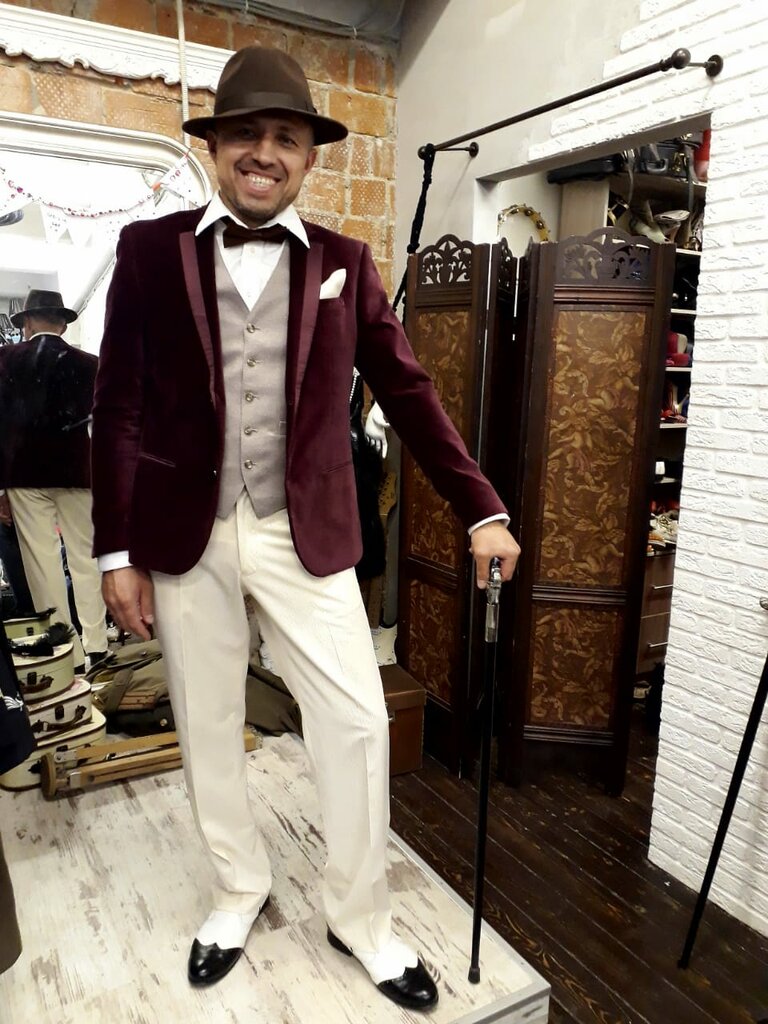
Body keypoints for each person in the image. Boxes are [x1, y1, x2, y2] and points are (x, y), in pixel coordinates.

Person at [91, 46, 520, 1012]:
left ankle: (361, 918)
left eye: (284, 137)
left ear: (309, 158)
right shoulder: (150, 251)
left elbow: (409, 392)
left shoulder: (344, 263)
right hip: (185, 531)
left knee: (359, 721)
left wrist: (482, 507)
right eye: (245, 133)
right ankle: (237, 890)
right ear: (214, 148)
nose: (264, 152)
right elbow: (117, 406)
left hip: (305, 531)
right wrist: (117, 551)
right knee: (207, 720)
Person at [0, 290, 107, 670]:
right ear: (62, 324)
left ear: (27, 322)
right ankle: (97, 645)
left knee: (42, 564)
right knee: (86, 558)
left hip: (24, 475)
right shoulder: (91, 364)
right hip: (79, 472)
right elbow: (103, 425)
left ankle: (67, 652)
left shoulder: (5, 360)